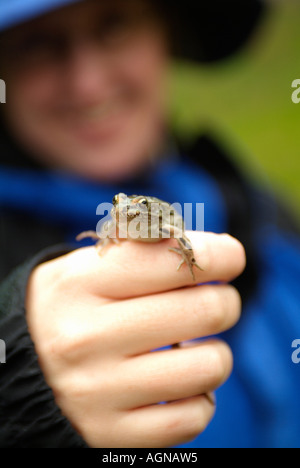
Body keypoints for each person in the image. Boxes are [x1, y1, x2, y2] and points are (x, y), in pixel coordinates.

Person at [0, 0, 299, 449]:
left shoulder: (257, 207)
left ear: (168, 31)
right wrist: (21, 390)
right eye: (36, 45)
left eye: (114, 24)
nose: (89, 85)